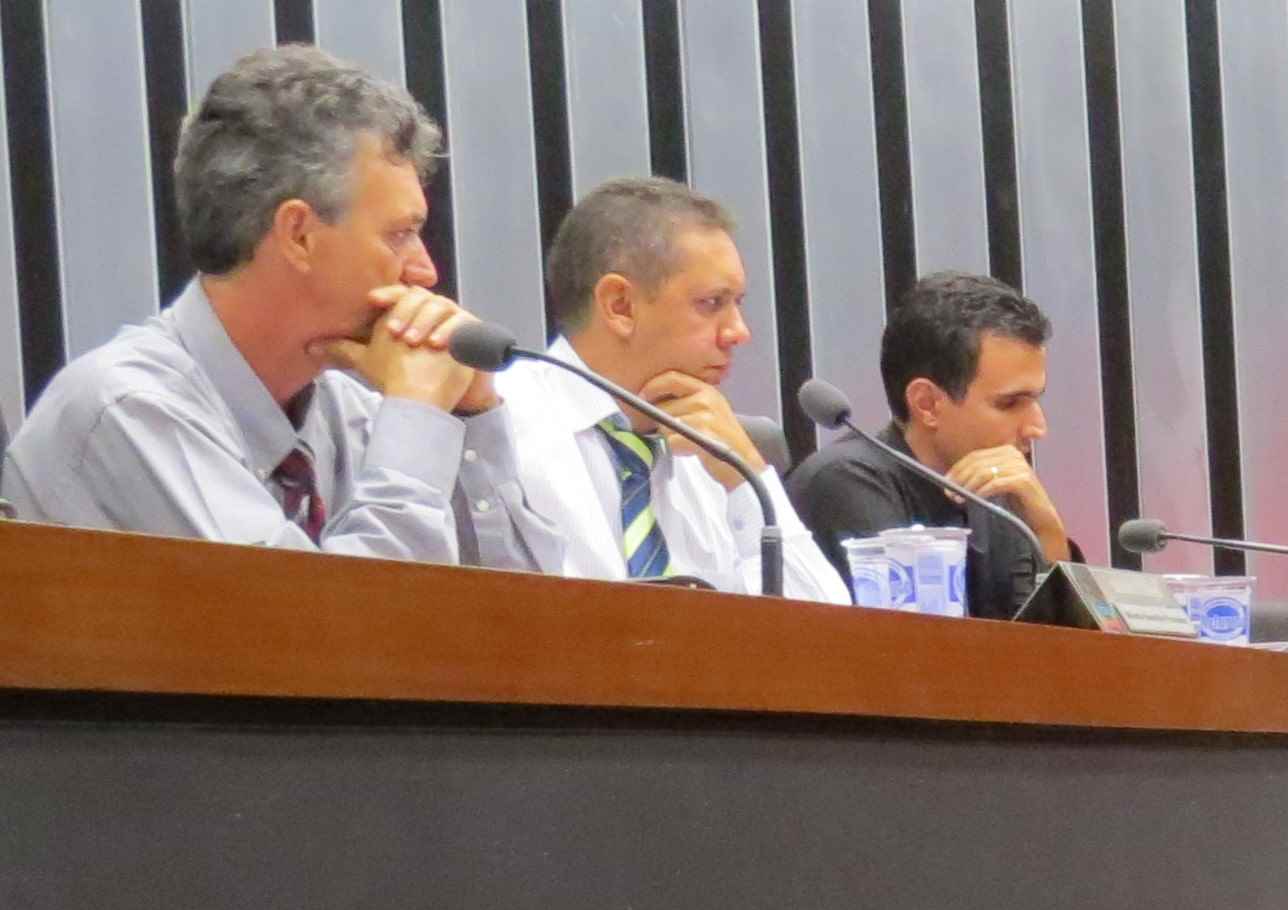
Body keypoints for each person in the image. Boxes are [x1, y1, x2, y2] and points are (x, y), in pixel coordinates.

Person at [0, 44, 565, 570]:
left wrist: (471, 416)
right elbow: (329, 631)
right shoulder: (129, 410)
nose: (426, 272)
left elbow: (532, 621)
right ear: (298, 234)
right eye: (399, 235)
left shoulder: (351, 410)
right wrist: (417, 419)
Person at [499, 178, 844, 602]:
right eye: (712, 303)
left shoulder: (712, 448)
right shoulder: (500, 427)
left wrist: (747, 478)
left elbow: (823, 628)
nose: (739, 332)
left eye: (737, 303)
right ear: (620, 306)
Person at [790, 273, 1065, 619]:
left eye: (1035, 400)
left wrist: (1048, 529)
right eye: (1010, 403)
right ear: (927, 404)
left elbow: (1048, 640)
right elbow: (914, 642)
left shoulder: (995, 492)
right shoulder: (844, 483)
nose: (1038, 427)